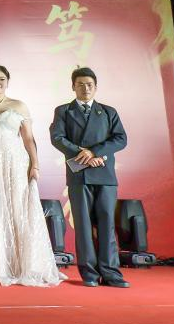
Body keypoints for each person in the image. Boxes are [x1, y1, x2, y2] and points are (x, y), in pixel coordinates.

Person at [0, 64, 66, 287]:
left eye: (1, 79)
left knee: (17, 209)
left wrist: (35, 164)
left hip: (15, 164)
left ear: (7, 81)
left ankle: (22, 265)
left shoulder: (19, 105)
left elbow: (28, 138)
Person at [49, 67, 129, 288]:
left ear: (96, 87)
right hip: (79, 174)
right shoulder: (63, 111)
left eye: (89, 85)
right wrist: (82, 154)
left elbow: (120, 139)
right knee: (83, 226)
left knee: (107, 225)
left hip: (105, 174)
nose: (85, 88)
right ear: (73, 86)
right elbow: (57, 138)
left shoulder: (108, 111)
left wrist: (95, 152)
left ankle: (111, 273)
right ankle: (90, 274)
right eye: (81, 84)